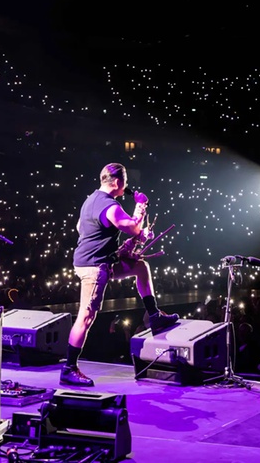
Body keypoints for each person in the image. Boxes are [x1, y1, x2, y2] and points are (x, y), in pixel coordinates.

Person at [61, 163, 178, 386]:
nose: (126, 187)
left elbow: (80, 228)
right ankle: (68, 368)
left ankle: (154, 316)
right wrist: (140, 209)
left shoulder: (90, 200)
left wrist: (110, 245)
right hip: (94, 266)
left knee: (140, 267)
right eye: (124, 182)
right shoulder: (110, 206)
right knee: (86, 317)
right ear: (116, 182)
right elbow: (133, 227)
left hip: (100, 261)